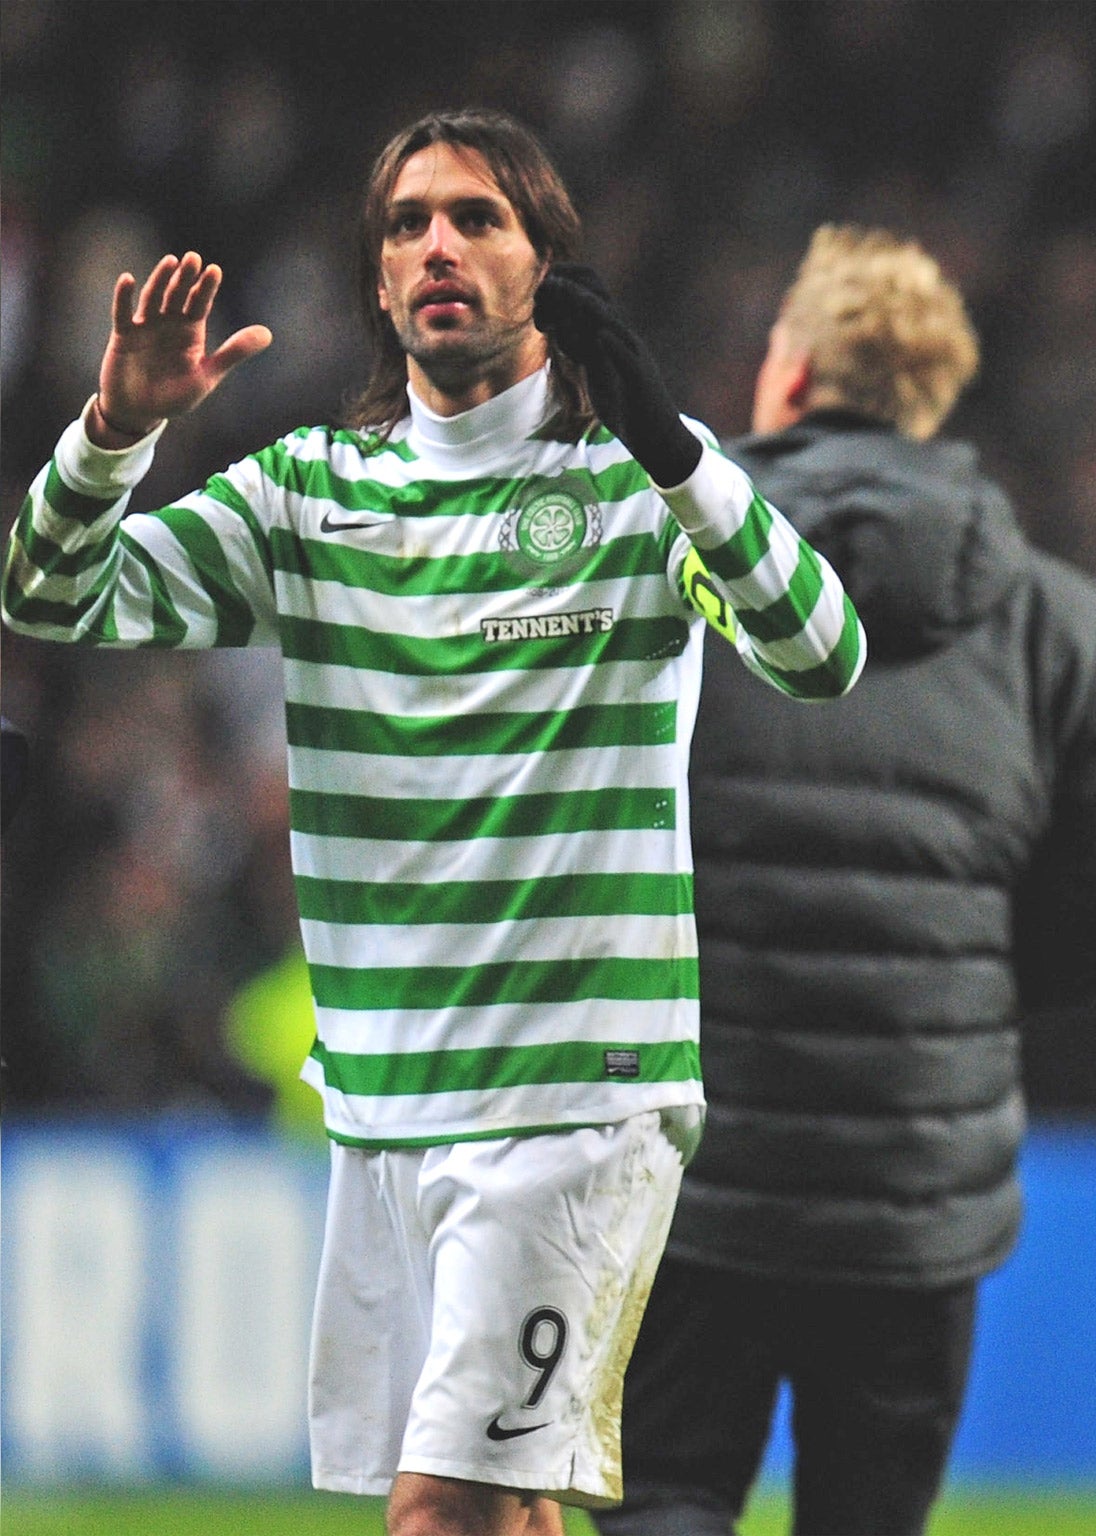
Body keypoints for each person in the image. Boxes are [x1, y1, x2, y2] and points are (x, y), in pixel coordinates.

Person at [1, 109, 864, 1536]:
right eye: (407, 224)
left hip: (574, 1101)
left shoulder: (629, 490)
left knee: (442, 1515)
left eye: (477, 217)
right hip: (385, 1112)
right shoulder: (309, 499)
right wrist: (115, 433)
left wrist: (672, 443)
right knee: (509, 1517)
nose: (437, 246)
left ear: (549, 264)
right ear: (379, 276)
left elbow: (821, 649)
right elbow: (45, 597)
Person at [595, 225, 1096, 1536]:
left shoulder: (653, 576)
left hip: (684, 1162)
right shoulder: (1055, 625)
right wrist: (970, 971)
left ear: (792, 377)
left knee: (667, 1495)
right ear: (927, 399)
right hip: (917, 1182)